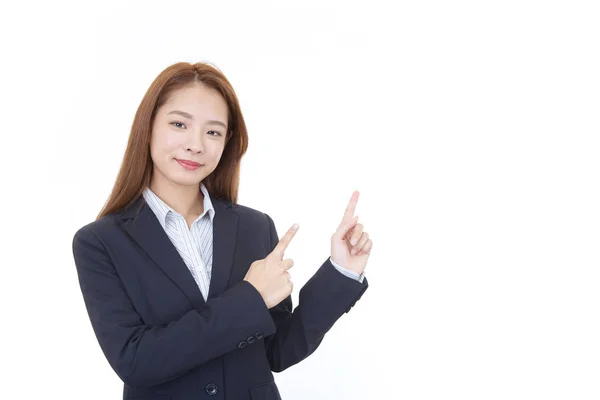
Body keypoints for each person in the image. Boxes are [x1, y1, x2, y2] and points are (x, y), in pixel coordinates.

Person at [71, 61, 373, 400]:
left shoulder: (255, 227)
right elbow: (136, 361)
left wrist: (341, 272)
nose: (196, 144)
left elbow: (277, 351)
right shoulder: (100, 242)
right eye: (179, 124)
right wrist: (250, 297)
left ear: (227, 141)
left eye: (213, 132)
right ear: (148, 126)